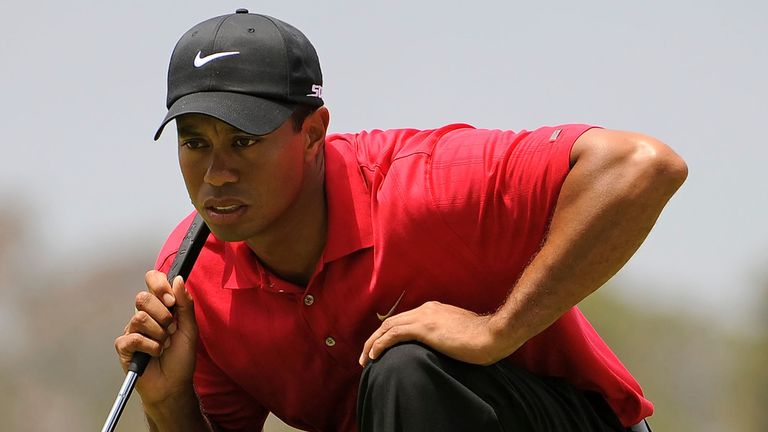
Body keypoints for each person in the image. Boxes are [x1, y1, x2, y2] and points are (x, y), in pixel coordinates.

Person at [114, 9, 687, 432]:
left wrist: (496, 331)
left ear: (312, 133)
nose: (216, 174)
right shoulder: (193, 281)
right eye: (194, 143)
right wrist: (169, 405)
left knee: (405, 373)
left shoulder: (425, 185)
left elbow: (643, 166)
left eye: (243, 141)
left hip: (575, 422)